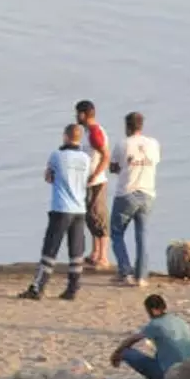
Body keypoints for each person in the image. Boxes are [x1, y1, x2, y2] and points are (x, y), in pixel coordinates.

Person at [19, 124, 90, 301]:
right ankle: (72, 289)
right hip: (80, 208)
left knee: (50, 248)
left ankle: (38, 288)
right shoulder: (86, 158)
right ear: (79, 138)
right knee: (76, 250)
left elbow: (48, 177)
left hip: (61, 207)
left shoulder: (57, 155)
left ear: (65, 136)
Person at [110, 112, 161, 287]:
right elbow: (155, 163)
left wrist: (125, 167)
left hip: (127, 193)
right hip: (148, 193)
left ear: (127, 127)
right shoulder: (153, 144)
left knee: (116, 233)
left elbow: (114, 167)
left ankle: (125, 271)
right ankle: (141, 276)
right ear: (141, 126)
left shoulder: (122, 144)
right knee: (142, 235)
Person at [110, 294, 190, 379]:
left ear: (152, 310)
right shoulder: (179, 320)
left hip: (170, 376)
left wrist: (116, 354)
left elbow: (131, 340)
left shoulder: (155, 324)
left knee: (125, 351)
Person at [76, 100, 112, 269]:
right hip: (88, 181)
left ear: (83, 114)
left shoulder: (95, 133)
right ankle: (94, 253)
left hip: (96, 182)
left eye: (78, 113)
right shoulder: (87, 132)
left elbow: (106, 155)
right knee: (91, 217)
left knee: (99, 217)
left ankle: (104, 256)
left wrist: (95, 174)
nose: (76, 116)